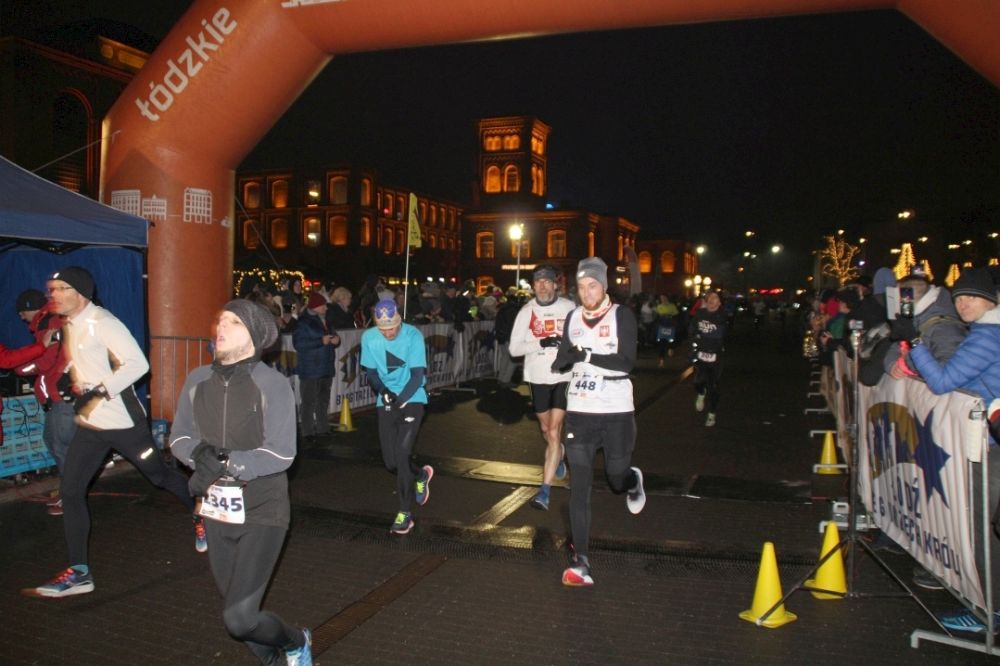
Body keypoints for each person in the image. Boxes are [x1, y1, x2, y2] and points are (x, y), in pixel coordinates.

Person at [22, 266, 203, 599]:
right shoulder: (69, 324)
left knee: (159, 476)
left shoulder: (104, 322)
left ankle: (200, 512)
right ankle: (80, 572)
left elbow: (138, 364)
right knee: (71, 490)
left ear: (81, 293)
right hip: (92, 426)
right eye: (52, 290)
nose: (53, 295)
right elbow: (88, 361)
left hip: (124, 424)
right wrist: (71, 381)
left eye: (62, 289)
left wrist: (97, 392)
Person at [169, 299, 312, 665]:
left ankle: (296, 641)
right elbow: (179, 437)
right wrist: (201, 458)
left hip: (263, 510)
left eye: (233, 322)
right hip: (218, 512)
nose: (221, 326)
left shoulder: (272, 384)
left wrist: (225, 463)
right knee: (236, 611)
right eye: (221, 320)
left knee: (239, 619)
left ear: (255, 335)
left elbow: (282, 453)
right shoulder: (197, 379)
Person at [903, 267, 1000, 632]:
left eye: (972, 297)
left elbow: (943, 381)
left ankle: (989, 612)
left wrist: (914, 346)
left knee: (985, 531)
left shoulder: (987, 336)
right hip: (988, 438)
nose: (963, 304)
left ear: (990, 300)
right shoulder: (985, 332)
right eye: (959, 297)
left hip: (990, 446)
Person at [550, 257, 646, 586]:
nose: (587, 293)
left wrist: (587, 354)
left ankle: (632, 481)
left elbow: (627, 363)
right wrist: (560, 356)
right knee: (579, 487)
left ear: (604, 286)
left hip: (616, 411)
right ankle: (581, 561)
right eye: (581, 287)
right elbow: (564, 358)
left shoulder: (622, 315)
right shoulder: (573, 318)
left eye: (592, 286)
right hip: (580, 411)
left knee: (616, 478)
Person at [361, 298, 433, 535]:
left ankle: (405, 513)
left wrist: (400, 400)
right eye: (383, 330)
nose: (388, 333)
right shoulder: (369, 338)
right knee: (391, 463)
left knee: (402, 454)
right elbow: (371, 373)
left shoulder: (413, 336)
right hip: (387, 398)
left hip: (412, 397)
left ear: (399, 321)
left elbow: (417, 375)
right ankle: (421, 474)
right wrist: (384, 392)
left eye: (391, 328)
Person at [508, 265, 575, 510]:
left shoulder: (569, 308)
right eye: (538, 282)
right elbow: (514, 349)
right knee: (546, 429)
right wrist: (541, 342)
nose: (543, 286)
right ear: (533, 286)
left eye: (547, 281)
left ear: (556, 285)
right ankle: (559, 453)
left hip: (563, 376)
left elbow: (580, 337)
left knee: (554, 431)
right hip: (537, 377)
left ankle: (544, 492)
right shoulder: (527, 312)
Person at [14, 288, 74, 516]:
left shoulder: (48, 322)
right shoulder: (52, 319)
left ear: (31, 308)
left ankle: (70, 497)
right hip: (60, 395)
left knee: (61, 447)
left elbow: (45, 360)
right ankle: (71, 491)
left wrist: (20, 367)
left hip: (62, 395)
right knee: (56, 443)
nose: (21, 317)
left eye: (22, 311)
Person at [292, 291, 339, 441]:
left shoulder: (326, 320)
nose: (326, 307)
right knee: (309, 401)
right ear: (315, 306)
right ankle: (307, 432)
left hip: (325, 366)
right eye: (323, 305)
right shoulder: (303, 322)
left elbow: (333, 335)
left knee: (323, 400)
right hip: (310, 368)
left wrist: (336, 340)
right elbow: (299, 344)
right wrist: (320, 341)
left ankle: (322, 428)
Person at [689, 290, 727, 427]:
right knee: (698, 382)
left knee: (714, 386)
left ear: (719, 302)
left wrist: (703, 333)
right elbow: (692, 329)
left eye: (715, 298)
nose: (711, 300)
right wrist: (694, 341)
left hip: (715, 355)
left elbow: (720, 332)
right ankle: (701, 393)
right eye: (709, 298)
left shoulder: (721, 315)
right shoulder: (700, 314)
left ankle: (712, 414)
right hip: (701, 353)